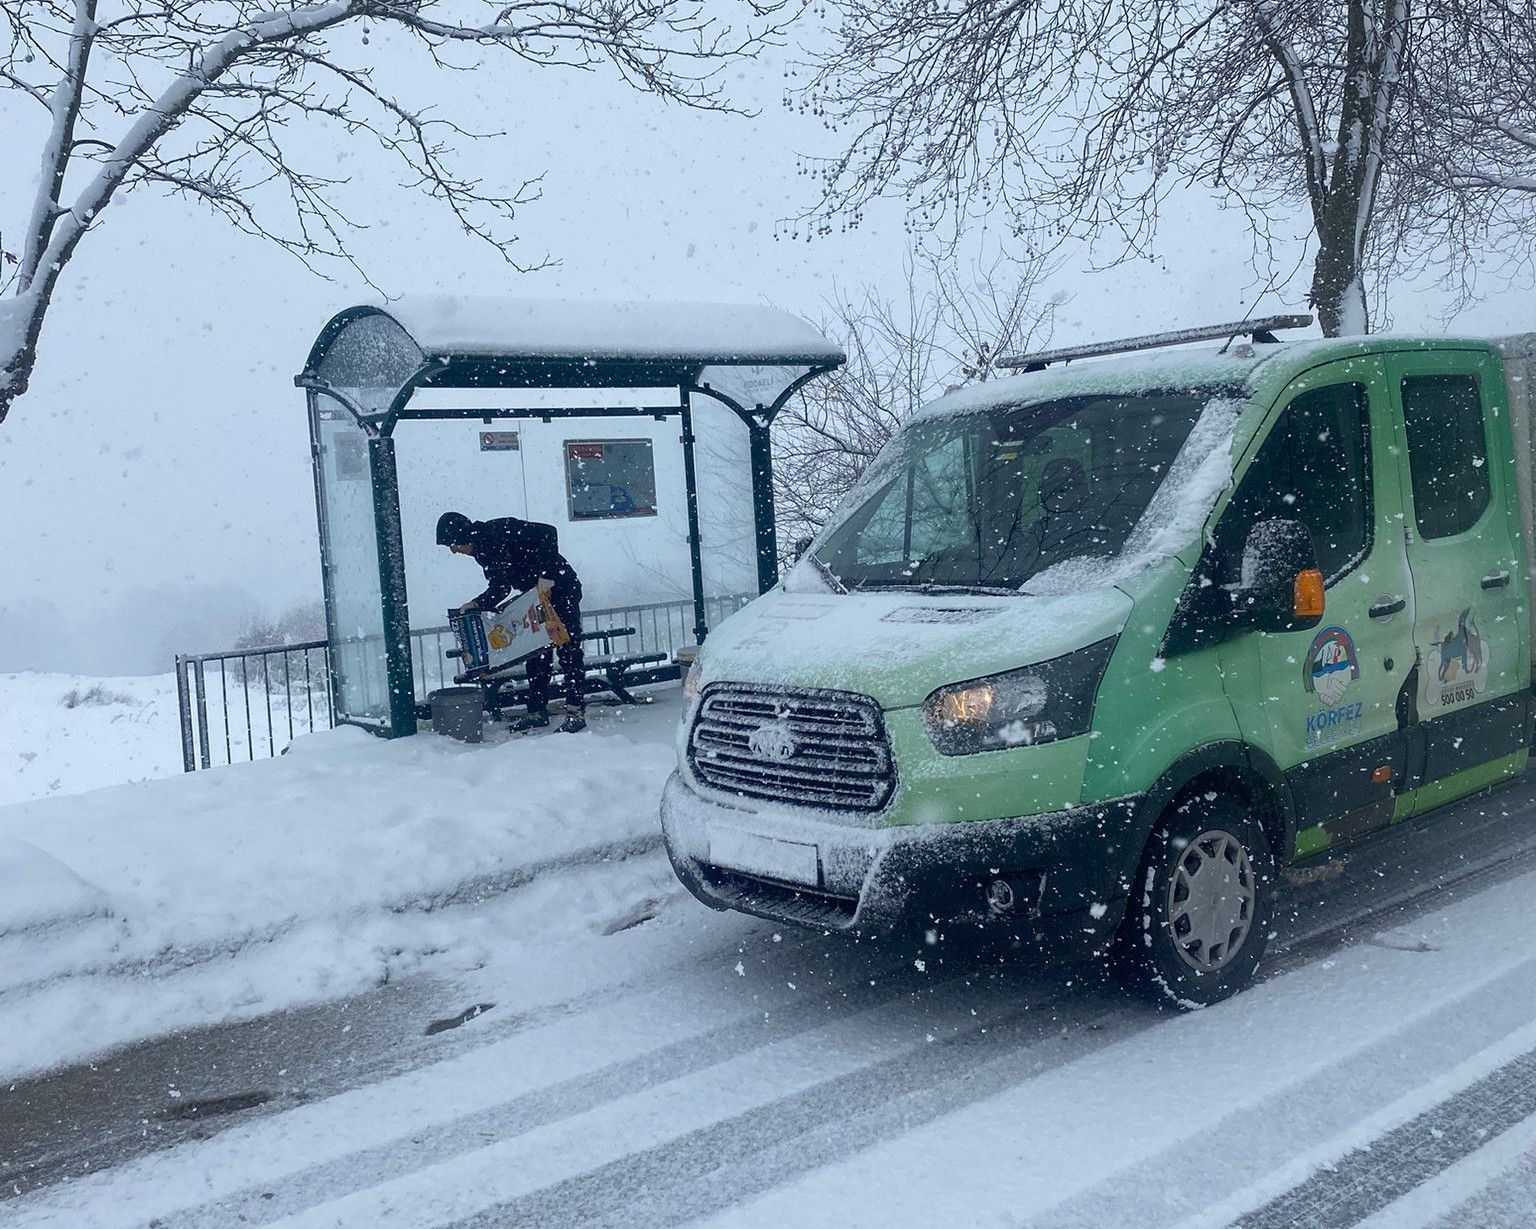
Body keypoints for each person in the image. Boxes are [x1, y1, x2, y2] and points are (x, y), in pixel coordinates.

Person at [437, 511, 587, 733]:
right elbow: (501, 587)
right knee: (536, 654)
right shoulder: (483, 553)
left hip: (561, 590)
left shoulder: (497, 530)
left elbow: (548, 532)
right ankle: (537, 712)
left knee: (568, 651)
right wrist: (476, 604)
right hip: (534, 598)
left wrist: (546, 576)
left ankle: (575, 713)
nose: (454, 550)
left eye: (453, 544)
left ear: (463, 535)